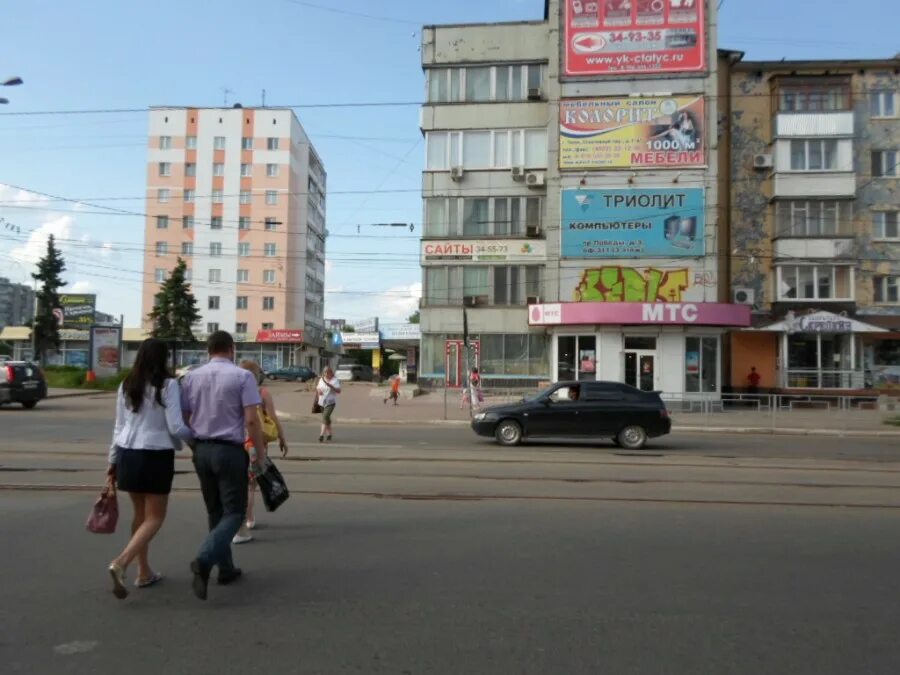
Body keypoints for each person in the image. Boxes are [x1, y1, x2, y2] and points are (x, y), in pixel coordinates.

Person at [181, 331, 267, 600]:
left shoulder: (191, 377)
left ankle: (226, 569)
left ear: (208, 350)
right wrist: (260, 454)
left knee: (214, 510)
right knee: (235, 512)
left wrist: (195, 445)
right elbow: (252, 421)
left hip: (202, 450)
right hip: (230, 451)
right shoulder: (243, 377)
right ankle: (205, 560)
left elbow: (184, 417)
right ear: (231, 349)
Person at [106, 338, 193, 600]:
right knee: (155, 517)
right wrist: (195, 441)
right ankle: (122, 562)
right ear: (163, 358)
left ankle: (143, 571)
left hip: (127, 454)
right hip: (155, 454)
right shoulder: (168, 385)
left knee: (140, 515)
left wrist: (112, 462)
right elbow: (176, 426)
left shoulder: (127, 384)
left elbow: (118, 427)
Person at [233, 360, 288, 545]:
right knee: (251, 485)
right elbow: (272, 417)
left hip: (235, 442)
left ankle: (239, 519)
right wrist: (282, 437)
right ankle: (248, 519)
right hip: (256, 442)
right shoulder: (262, 392)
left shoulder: (234, 390)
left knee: (239, 483)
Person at [316, 366, 341, 443]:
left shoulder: (335, 380)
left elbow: (339, 391)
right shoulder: (321, 379)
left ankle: (321, 435)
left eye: (328, 372)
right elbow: (318, 387)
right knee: (327, 419)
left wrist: (332, 386)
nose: (326, 374)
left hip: (331, 403)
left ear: (331, 372)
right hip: (322, 402)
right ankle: (330, 434)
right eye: (325, 372)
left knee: (325, 416)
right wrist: (319, 390)